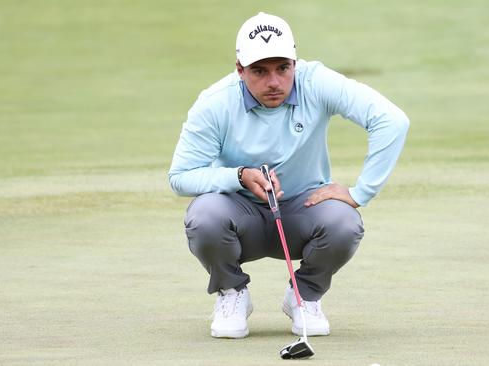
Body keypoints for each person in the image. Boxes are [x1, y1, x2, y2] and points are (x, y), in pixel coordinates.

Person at [168, 12, 409, 339]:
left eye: (283, 68)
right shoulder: (214, 103)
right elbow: (180, 177)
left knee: (344, 222)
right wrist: (238, 176)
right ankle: (232, 293)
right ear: (240, 70)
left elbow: (392, 121)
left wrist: (360, 193)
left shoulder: (317, 81)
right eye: (259, 71)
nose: (274, 82)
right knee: (204, 216)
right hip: (239, 218)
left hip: (303, 212)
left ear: (295, 62)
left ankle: (304, 295)